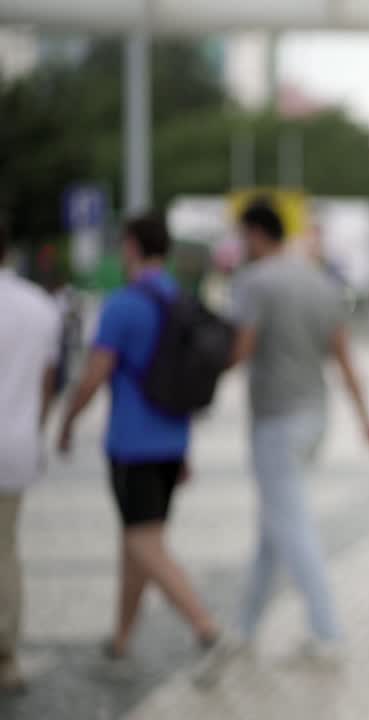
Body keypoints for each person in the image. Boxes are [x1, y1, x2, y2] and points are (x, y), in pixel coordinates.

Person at [57, 215, 224, 663]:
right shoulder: (179, 299)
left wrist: (67, 421)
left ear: (130, 247)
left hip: (133, 445)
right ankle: (122, 638)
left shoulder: (123, 304)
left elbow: (94, 375)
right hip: (173, 443)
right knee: (137, 540)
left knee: (143, 542)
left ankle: (206, 628)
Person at [225, 201, 369, 662]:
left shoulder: (254, 282)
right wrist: (365, 419)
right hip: (315, 418)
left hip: (275, 420)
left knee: (291, 526)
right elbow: (343, 357)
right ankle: (247, 625)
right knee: (275, 525)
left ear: (255, 233)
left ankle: (327, 632)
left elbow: (241, 350)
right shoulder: (319, 281)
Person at [0, 222, 61, 693]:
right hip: (17, 443)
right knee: (6, 552)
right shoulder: (40, 306)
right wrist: (37, 432)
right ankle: (6, 657)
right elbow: (47, 383)